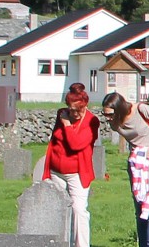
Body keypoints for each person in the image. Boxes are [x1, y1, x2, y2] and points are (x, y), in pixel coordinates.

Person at [101, 91, 149, 247]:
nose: (107, 118)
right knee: (140, 210)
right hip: (136, 164)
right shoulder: (115, 122)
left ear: (119, 108)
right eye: (104, 114)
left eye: (109, 114)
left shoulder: (141, 109)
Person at [44, 86, 99, 247]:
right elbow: (54, 140)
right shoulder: (61, 114)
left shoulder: (91, 121)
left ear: (85, 106)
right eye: (71, 110)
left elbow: (76, 144)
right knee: (58, 209)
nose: (74, 114)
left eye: (78, 110)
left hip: (77, 172)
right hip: (56, 171)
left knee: (78, 210)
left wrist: (67, 124)